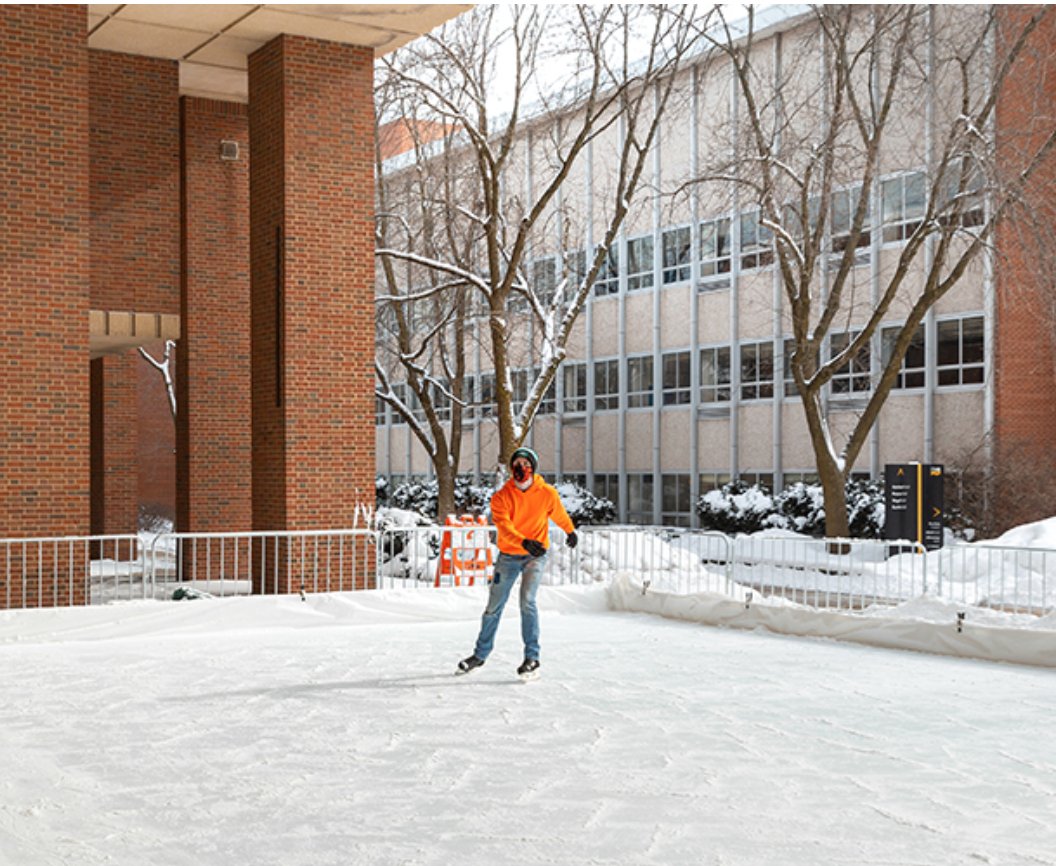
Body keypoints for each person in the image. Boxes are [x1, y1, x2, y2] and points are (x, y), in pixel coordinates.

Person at [457, 447, 577, 678]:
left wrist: (570, 531)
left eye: (526, 463)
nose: (521, 467)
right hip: (509, 555)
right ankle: (480, 655)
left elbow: (558, 513)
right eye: (517, 463)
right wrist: (523, 542)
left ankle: (532, 658)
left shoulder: (547, 493)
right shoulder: (502, 496)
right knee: (494, 607)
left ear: (533, 467)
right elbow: (504, 526)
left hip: (536, 555)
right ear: (512, 468)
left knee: (527, 602)